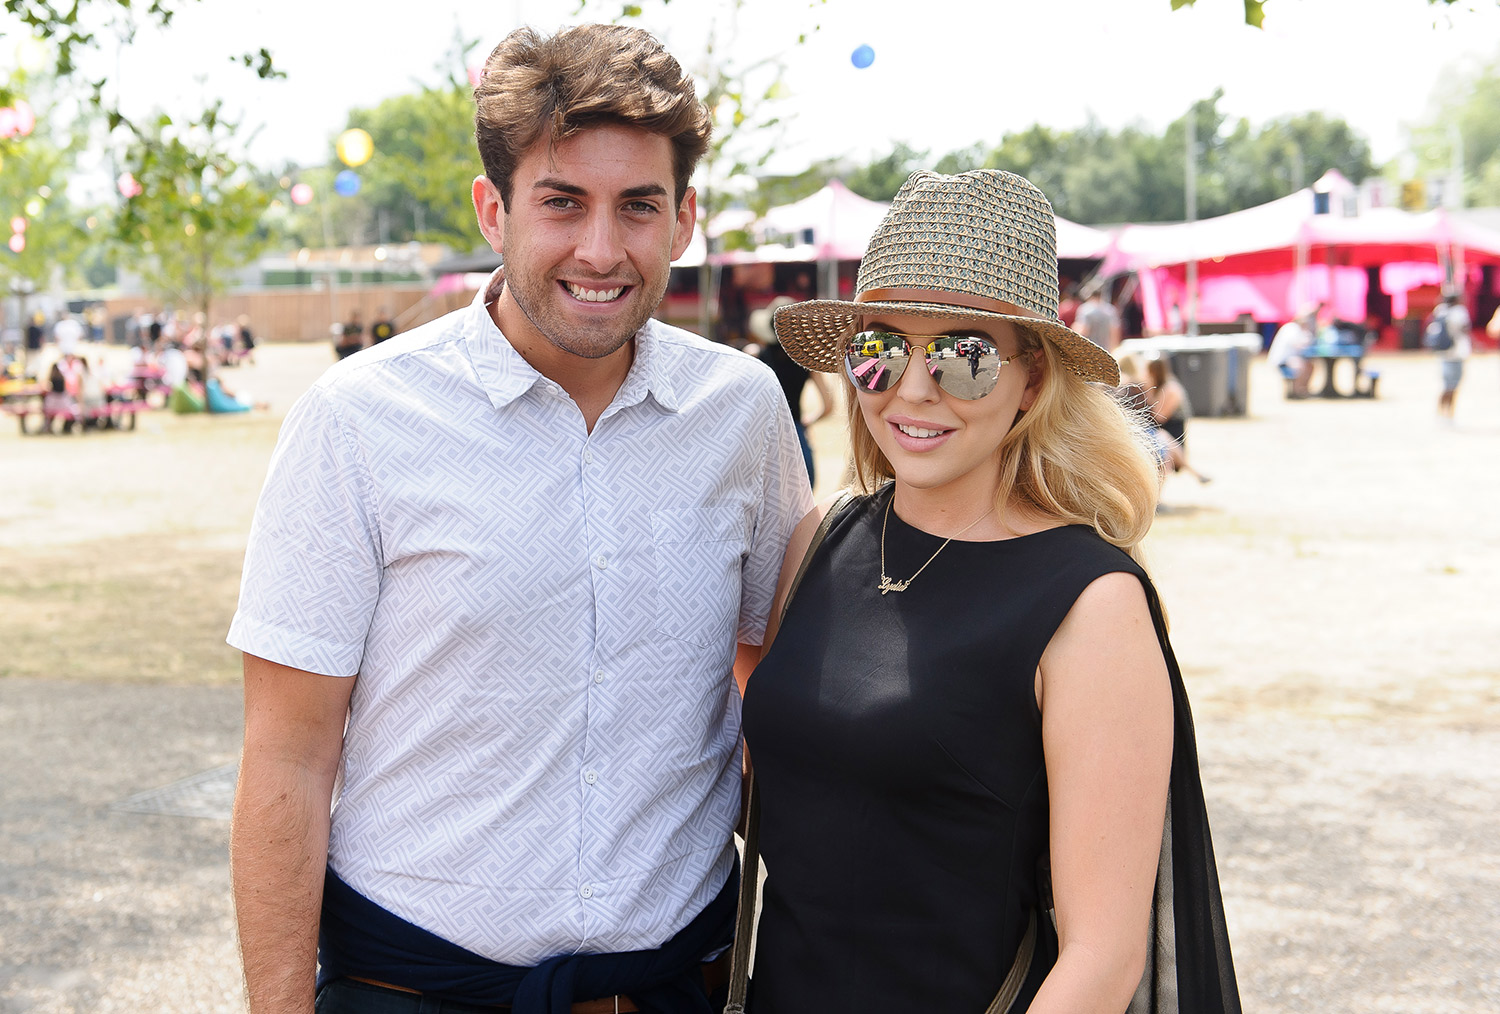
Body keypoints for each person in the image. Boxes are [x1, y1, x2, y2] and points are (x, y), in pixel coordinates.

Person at [227, 22, 810, 1014]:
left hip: (674, 987)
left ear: (683, 220)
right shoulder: (357, 421)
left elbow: (771, 672)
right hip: (412, 985)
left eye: (638, 206)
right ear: (493, 211)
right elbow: (289, 753)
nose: (601, 248)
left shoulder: (744, 413)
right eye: (561, 202)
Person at [742, 169, 1241, 1014]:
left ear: (1034, 381)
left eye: (964, 356)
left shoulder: (1091, 604)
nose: (913, 388)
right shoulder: (820, 539)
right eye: (881, 349)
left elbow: (1103, 957)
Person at [747, 296, 834, 486]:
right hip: (794, 431)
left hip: (761, 431)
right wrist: (807, 422)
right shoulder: (806, 363)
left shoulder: (754, 356)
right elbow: (828, 405)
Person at [1144, 354, 1211, 484]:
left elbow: (1159, 416)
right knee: (1166, 443)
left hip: (1173, 428)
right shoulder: (1158, 386)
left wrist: (1148, 392)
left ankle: (1195, 474)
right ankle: (1196, 474)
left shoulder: (1171, 389)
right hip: (1161, 429)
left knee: (1166, 444)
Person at [1429, 290, 1471, 422]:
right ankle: (1449, 414)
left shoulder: (1440, 311)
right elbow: (1465, 329)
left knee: (1446, 384)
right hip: (1457, 352)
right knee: (1453, 385)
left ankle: (1440, 412)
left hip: (1444, 353)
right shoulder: (1459, 312)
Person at [1268, 304, 1317, 398]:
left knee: (1310, 365)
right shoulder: (1291, 328)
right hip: (1282, 359)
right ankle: (1297, 391)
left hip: (1290, 358)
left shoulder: (1298, 329)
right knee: (1301, 365)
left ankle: (1303, 389)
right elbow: (1299, 345)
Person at [1073, 281, 1122, 352]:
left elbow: (1082, 331)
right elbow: (1115, 332)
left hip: (1090, 351)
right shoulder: (1110, 310)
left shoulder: (1085, 309)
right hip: (1106, 351)